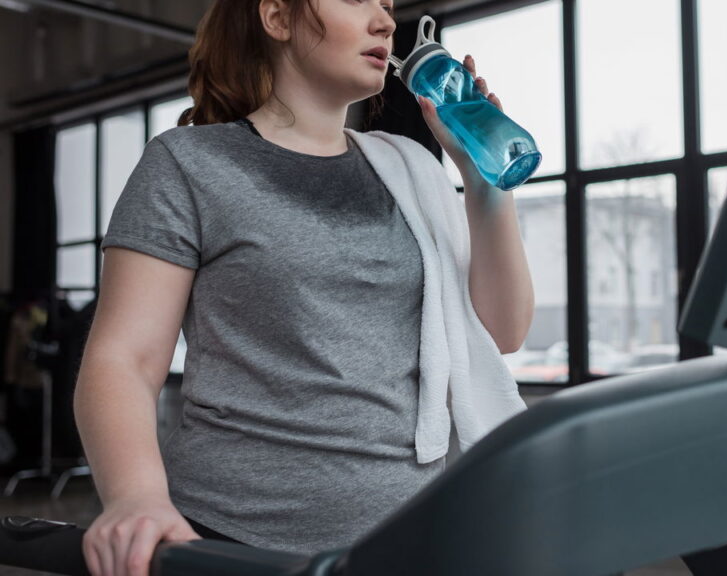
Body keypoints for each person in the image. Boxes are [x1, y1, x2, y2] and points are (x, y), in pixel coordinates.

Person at [72, 0, 535, 574]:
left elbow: (502, 334)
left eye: (389, 6)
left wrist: (484, 180)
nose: (387, 22)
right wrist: (136, 496)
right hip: (236, 541)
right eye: (358, 0)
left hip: (408, 537)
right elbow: (125, 359)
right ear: (277, 17)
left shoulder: (411, 168)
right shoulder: (189, 164)